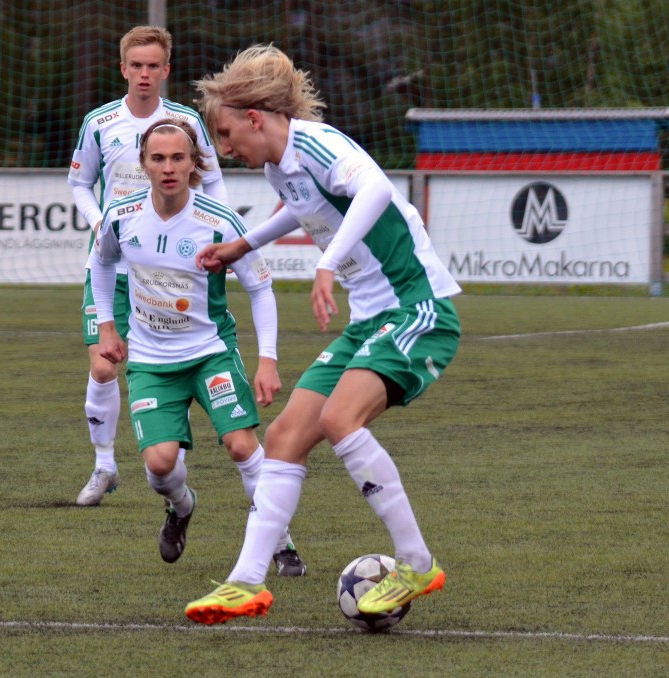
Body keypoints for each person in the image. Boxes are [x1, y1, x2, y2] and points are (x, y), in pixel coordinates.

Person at [184, 45, 462, 624]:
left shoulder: (316, 142)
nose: (225, 149)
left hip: (418, 308)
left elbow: (375, 189)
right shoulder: (277, 166)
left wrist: (326, 265)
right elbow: (304, 207)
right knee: (285, 434)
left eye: (227, 134)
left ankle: (416, 563)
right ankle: (245, 583)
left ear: (254, 118)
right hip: (371, 320)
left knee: (339, 419)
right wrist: (244, 244)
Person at [91, 119, 304, 570]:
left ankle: (281, 543)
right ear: (144, 164)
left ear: (194, 164)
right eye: (158, 158)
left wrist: (268, 360)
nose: (168, 167)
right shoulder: (121, 216)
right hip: (151, 360)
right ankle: (181, 507)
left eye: (178, 158)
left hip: (210, 352)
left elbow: (261, 288)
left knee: (242, 445)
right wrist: (107, 326)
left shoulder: (220, 221)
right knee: (160, 466)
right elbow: (102, 265)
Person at [68, 26, 230, 507]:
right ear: (123, 69)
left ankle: (168, 448)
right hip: (112, 265)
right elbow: (79, 183)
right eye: (136, 65)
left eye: (152, 65)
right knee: (103, 367)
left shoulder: (186, 122)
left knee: (178, 359)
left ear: (165, 70)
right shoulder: (99, 122)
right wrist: (99, 223)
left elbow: (214, 182)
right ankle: (104, 466)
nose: (144, 73)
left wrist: (218, 239)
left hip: (170, 268)